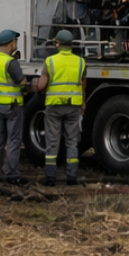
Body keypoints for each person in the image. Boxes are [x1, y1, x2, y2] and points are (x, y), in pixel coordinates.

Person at [36, 28, 86, 185]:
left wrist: (38, 87)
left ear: (57, 44)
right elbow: (83, 82)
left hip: (54, 106)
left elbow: (42, 84)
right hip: (74, 105)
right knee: (72, 141)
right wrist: (83, 101)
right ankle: (72, 176)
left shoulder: (50, 61)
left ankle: (50, 178)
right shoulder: (80, 61)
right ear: (71, 45)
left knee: (52, 141)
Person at [0, 29, 27, 185]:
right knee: (14, 141)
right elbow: (19, 81)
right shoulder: (10, 62)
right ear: (11, 43)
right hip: (12, 107)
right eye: (15, 42)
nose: (15, 44)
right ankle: (12, 175)